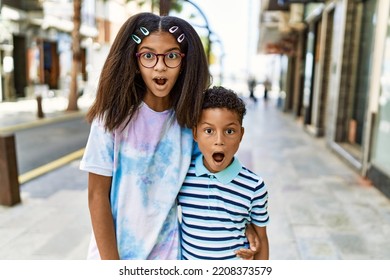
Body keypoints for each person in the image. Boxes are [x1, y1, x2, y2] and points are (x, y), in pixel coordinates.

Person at [79, 12, 211, 260]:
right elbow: (97, 196)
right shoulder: (111, 120)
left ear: (184, 63)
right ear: (135, 62)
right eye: (148, 56)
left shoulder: (191, 124)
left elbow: (209, 185)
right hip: (113, 256)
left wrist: (246, 223)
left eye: (171, 56)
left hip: (170, 258)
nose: (160, 66)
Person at [178, 86, 270, 260]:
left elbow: (261, 241)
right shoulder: (182, 176)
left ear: (241, 134)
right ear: (195, 133)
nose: (219, 141)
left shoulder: (254, 186)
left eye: (229, 131)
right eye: (209, 131)